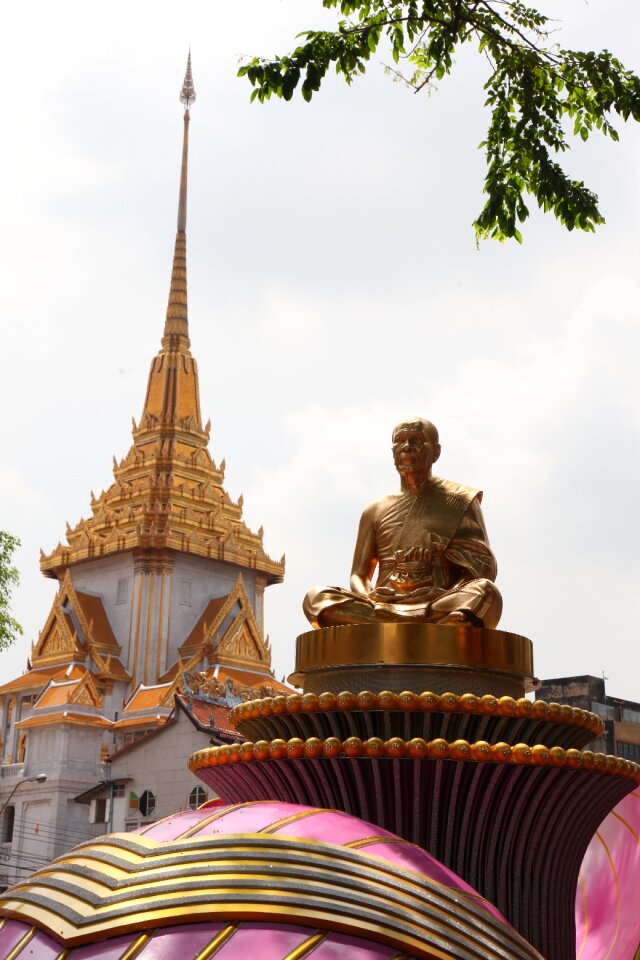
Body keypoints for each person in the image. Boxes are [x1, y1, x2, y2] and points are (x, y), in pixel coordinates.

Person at [303, 417, 502, 629]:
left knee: (485, 592)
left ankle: (398, 621)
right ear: (393, 451)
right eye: (400, 441)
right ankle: (419, 622)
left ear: (436, 452)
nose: (407, 447)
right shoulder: (375, 510)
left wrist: (448, 592)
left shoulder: (459, 500)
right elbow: (358, 575)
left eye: (416, 441)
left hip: (437, 600)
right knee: (316, 598)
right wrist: (369, 597)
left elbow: (482, 568)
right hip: (385, 602)